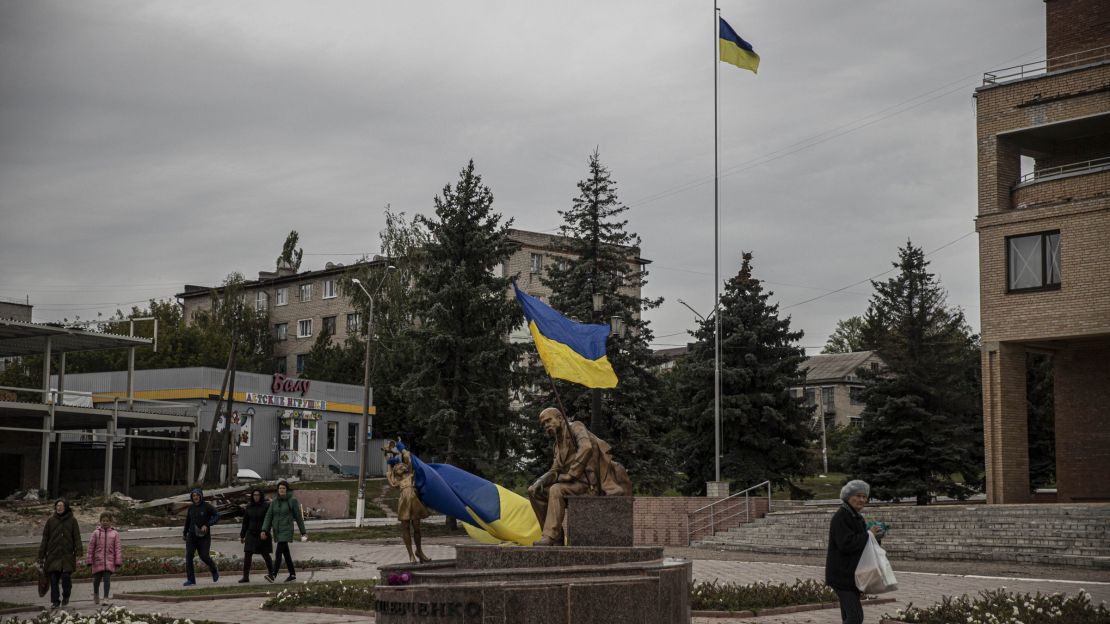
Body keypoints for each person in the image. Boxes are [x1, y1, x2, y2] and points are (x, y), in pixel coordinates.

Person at [527, 407, 632, 546]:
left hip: (589, 485)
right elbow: (555, 470)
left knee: (556, 489)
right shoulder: (557, 446)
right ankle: (556, 537)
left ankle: (549, 536)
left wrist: (571, 474)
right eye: (544, 424)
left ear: (560, 418)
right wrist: (539, 482)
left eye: (548, 420)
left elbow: (586, 447)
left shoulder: (575, 427)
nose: (546, 425)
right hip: (573, 487)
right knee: (534, 492)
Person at [825, 480, 882, 624]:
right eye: (858, 495)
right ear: (848, 496)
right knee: (855, 617)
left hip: (852, 576)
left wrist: (875, 537)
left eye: (865, 497)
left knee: (848, 616)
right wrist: (869, 534)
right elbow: (846, 544)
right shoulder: (841, 516)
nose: (862, 500)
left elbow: (863, 544)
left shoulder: (856, 517)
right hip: (842, 576)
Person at [383, 441, 430, 563]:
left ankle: (419, 551)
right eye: (397, 466)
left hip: (415, 501)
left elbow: (408, 456)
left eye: (401, 465)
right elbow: (389, 474)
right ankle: (411, 555)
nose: (400, 466)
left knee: (417, 527)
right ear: (395, 471)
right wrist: (388, 462)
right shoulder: (396, 480)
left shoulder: (411, 473)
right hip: (404, 502)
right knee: (405, 527)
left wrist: (400, 446)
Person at [38, 499, 82, 609]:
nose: (59, 507)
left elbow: (77, 537)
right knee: (53, 579)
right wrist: (41, 555)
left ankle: (66, 596)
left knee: (66, 577)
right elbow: (45, 539)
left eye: (61, 505)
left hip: (67, 555)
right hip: (53, 555)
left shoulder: (73, 521)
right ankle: (55, 601)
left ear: (66, 507)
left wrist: (79, 550)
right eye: (57, 505)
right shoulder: (50, 521)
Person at [261, 480, 307, 582]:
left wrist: (303, 532)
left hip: (287, 529)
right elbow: (268, 516)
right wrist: (264, 529)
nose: (281, 490)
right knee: (286, 553)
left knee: (278, 552)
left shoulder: (292, 501)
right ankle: (292, 574)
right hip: (277, 530)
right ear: (277, 490)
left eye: (283, 488)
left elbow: (298, 517)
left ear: (287, 490)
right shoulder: (274, 502)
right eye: (280, 488)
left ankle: (273, 574)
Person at [182, 488, 220, 586]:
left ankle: (213, 569)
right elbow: (187, 521)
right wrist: (185, 533)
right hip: (192, 536)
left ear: (201, 496)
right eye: (194, 496)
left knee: (204, 556)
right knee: (189, 556)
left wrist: (207, 525)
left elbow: (217, 515)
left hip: (204, 537)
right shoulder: (191, 508)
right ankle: (191, 580)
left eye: (197, 495)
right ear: (192, 497)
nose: (196, 497)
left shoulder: (207, 506)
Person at [86, 511, 122, 605]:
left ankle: (106, 597)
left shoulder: (115, 534)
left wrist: (117, 561)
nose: (105, 522)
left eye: (107, 520)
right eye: (103, 520)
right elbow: (91, 547)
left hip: (109, 561)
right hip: (98, 560)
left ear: (110, 522)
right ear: (100, 521)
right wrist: (89, 560)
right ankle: (96, 594)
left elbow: (117, 548)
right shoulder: (96, 533)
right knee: (96, 580)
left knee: (107, 579)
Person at [239, 488, 274, 583]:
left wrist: (266, 532)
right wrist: (242, 535)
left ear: (261, 496)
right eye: (254, 495)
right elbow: (245, 522)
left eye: (258, 495)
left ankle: (272, 574)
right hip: (251, 533)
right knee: (247, 554)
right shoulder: (249, 506)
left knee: (265, 554)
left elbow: (269, 521)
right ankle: (245, 577)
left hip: (262, 534)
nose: (256, 497)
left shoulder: (266, 506)